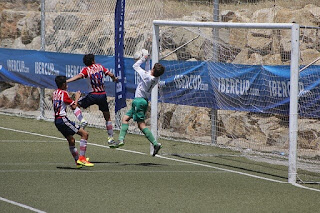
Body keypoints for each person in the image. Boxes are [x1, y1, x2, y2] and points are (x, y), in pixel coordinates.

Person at [110, 50, 165, 157]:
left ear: (153, 70)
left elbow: (135, 66)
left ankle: (155, 144)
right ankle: (121, 140)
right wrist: (148, 60)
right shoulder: (156, 78)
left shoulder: (147, 76)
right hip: (142, 101)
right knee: (125, 118)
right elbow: (149, 70)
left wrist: (143, 58)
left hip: (138, 101)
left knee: (141, 125)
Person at [67, 54, 118, 145]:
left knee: (74, 105)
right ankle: (110, 138)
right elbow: (111, 74)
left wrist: (67, 81)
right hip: (102, 95)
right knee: (107, 117)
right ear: (93, 61)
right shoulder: (100, 66)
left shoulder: (86, 70)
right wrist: (114, 78)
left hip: (92, 95)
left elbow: (78, 76)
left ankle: (82, 120)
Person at [53, 75, 94, 168]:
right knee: (85, 134)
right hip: (63, 119)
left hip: (57, 120)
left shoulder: (55, 93)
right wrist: (77, 97)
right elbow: (74, 106)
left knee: (71, 140)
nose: (67, 85)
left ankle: (78, 162)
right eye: (66, 83)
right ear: (63, 84)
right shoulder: (64, 93)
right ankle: (82, 158)